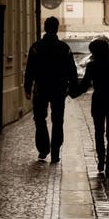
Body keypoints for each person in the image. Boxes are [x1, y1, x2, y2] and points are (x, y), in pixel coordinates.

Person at [24, 16, 77, 164]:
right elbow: (71, 70)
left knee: (40, 119)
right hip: (59, 89)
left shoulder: (36, 47)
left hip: (41, 89)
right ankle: (55, 152)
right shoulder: (64, 48)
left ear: (45, 28)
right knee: (58, 120)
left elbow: (30, 70)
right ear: (57, 28)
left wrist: (28, 88)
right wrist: (72, 87)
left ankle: (43, 148)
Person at [73, 38, 109, 179]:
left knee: (98, 132)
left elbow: (85, 85)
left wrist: (72, 93)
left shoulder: (92, 66)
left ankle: (101, 161)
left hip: (99, 101)